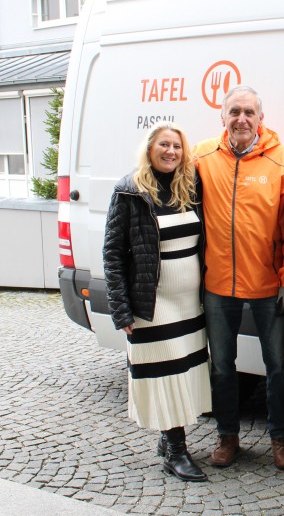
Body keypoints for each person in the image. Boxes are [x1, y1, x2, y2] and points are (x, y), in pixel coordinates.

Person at [194, 85, 284, 470]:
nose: (241, 119)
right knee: (221, 365)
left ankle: (280, 437)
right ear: (222, 116)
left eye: (248, 112)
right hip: (218, 284)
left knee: (278, 367)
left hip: (268, 285)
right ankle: (227, 435)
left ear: (260, 118)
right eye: (234, 111)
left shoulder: (281, 160)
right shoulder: (202, 156)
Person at [103, 122, 210, 482]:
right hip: (154, 301)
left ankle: (170, 440)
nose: (171, 152)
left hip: (189, 303)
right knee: (166, 375)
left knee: (186, 370)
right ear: (150, 148)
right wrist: (121, 308)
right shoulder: (129, 191)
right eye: (164, 145)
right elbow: (113, 254)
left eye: (177, 146)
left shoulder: (190, 186)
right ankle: (176, 451)